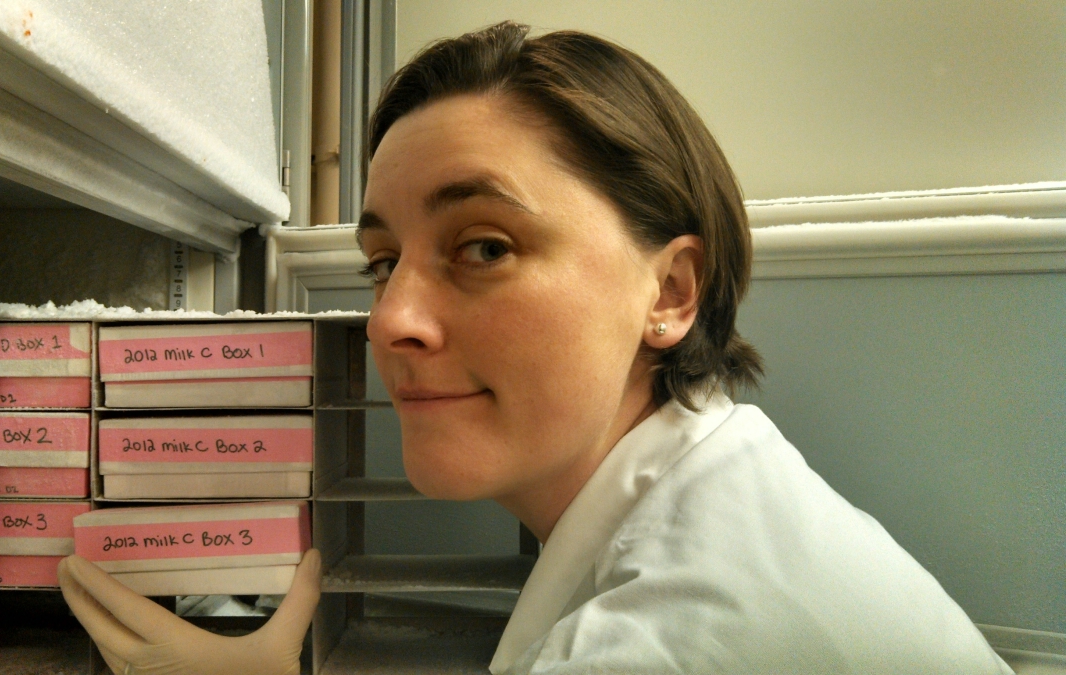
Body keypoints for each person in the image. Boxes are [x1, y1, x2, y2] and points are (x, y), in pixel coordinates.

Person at [59, 21, 1014, 675]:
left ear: (670, 293)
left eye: (484, 246)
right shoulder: (709, 483)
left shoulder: (674, 634)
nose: (390, 320)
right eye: (382, 262)